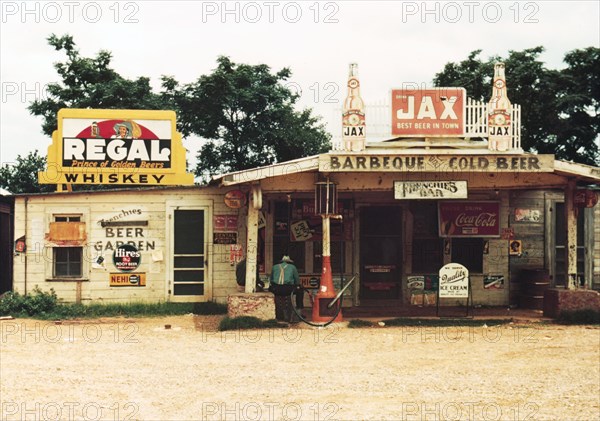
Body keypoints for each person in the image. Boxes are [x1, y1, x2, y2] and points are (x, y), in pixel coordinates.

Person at [269, 255, 303, 322]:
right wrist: (298, 285)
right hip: (288, 289)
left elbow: (271, 280)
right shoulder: (293, 267)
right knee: (300, 291)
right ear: (289, 262)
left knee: (271, 289)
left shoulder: (274, 267)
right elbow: (297, 281)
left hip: (276, 289)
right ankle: (299, 309)